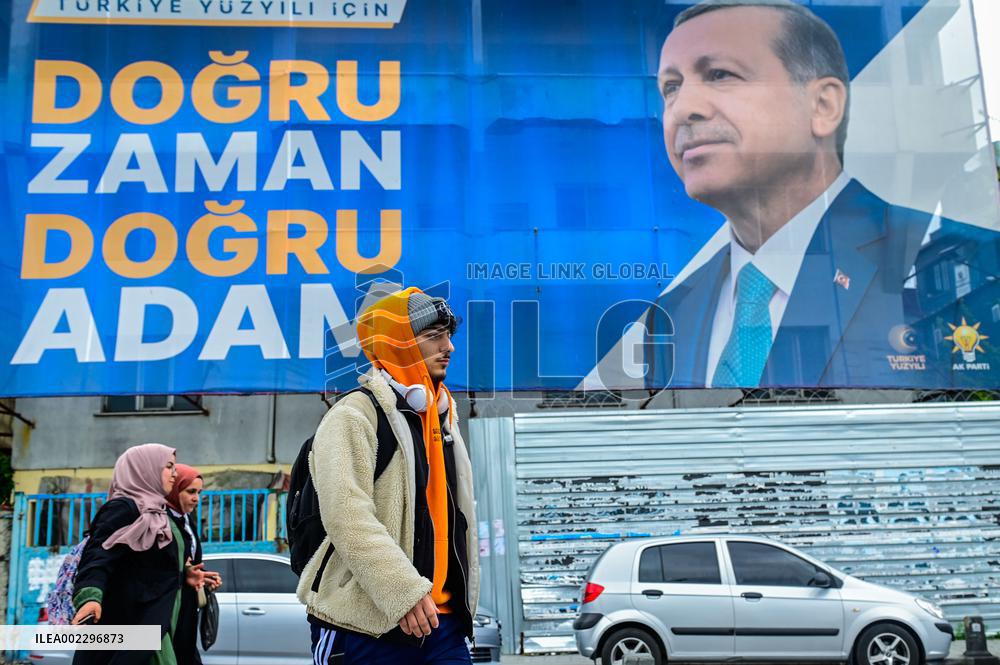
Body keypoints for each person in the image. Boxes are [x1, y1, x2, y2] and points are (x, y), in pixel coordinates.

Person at [640, 0, 999, 389]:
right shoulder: (669, 317)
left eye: (721, 74)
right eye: (670, 88)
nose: (682, 110)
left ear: (823, 105)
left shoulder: (962, 260)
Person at [297, 287, 479, 665]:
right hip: (365, 626)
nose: (449, 347)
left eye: (449, 335)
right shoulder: (354, 415)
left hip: (441, 625)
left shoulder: (441, 417)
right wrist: (404, 592)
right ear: (399, 342)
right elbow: (347, 516)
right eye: (434, 336)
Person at [71, 443, 208, 665]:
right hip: (132, 620)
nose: (174, 473)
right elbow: (98, 557)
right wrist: (90, 597)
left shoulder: (160, 514)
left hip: (160, 618)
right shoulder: (124, 508)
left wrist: (185, 575)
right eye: (169, 466)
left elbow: (151, 567)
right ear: (145, 469)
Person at [166, 464, 222, 664]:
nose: (196, 498)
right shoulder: (161, 521)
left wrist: (203, 576)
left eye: (199, 492)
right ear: (174, 490)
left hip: (187, 604)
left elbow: (192, 560)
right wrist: (185, 573)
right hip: (168, 605)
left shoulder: (187, 520)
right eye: (190, 491)